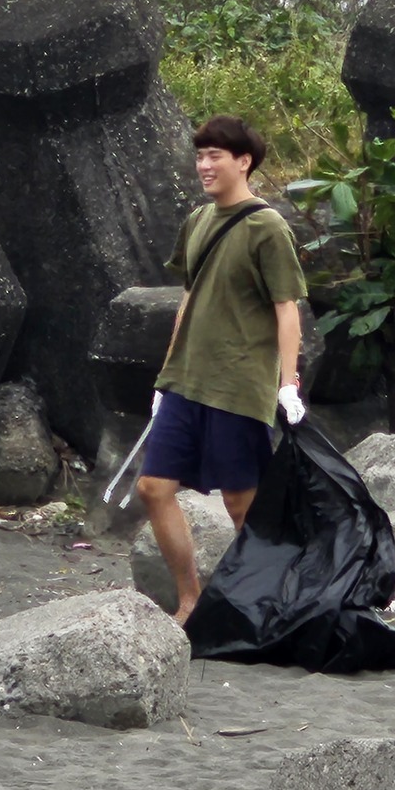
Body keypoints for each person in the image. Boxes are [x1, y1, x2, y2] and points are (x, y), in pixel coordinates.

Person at [137, 115, 308, 623]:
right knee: (153, 488)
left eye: (215, 156)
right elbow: (188, 297)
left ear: (243, 162)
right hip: (186, 382)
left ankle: (273, 602)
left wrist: (287, 384)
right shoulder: (198, 221)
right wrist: (165, 376)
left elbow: (287, 308)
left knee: (241, 502)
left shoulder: (267, 226)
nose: (204, 165)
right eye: (200, 155)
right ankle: (190, 599)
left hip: (238, 384)